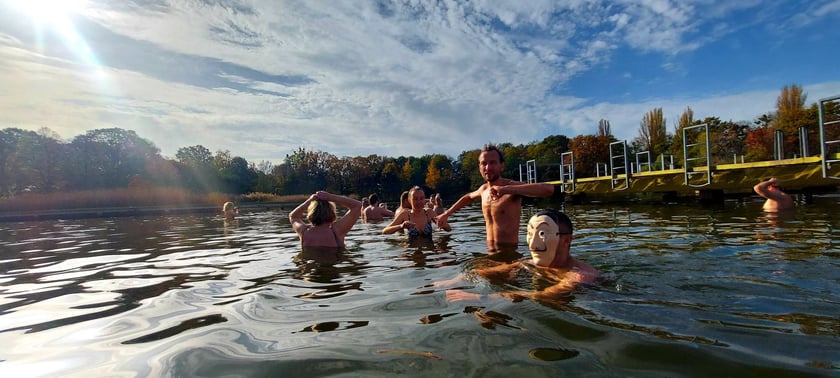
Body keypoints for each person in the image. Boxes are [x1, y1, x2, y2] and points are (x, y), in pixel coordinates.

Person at [440, 209, 598, 303]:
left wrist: (478, 298)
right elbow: (497, 270)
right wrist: (455, 280)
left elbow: (541, 296)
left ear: (567, 240)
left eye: (543, 233)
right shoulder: (532, 263)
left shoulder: (579, 275)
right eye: (530, 233)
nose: (533, 243)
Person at [436, 144, 554, 251]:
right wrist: (446, 214)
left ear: (501, 166)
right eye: (484, 163)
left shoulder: (511, 187)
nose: (488, 168)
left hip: (509, 254)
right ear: (480, 168)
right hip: (490, 252)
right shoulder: (483, 190)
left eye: (492, 163)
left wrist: (506, 190)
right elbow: (468, 197)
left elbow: (548, 189)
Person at [289, 191, 362, 248]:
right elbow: (357, 205)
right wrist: (330, 197)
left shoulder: (303, 231)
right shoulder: (337, 231)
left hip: (310, 266)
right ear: (331, 212)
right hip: (333, 264)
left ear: (311, 213)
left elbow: (293, 216)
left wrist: (310, 201)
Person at [383, 186, 451, 237]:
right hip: (410, 253)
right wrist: (401, 226)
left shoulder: (429, 213)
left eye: (421, 198)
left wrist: (443, 224)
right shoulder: (405, 214)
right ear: (409, 200)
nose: (419, 202)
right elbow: (385, 231)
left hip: (429, 253)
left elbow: (449, 229)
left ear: (424, 199)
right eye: (415, 199)